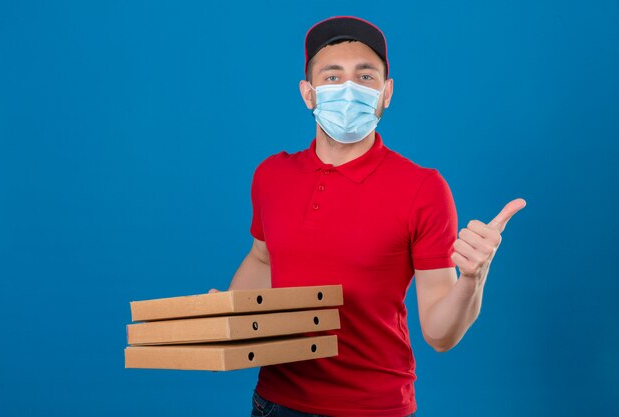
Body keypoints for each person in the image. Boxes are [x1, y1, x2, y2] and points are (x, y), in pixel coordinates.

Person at [209, 16, 526, 417]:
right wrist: (227, 316)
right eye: (332, 76)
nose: (349, 89)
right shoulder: (272, 175)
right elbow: (263, 257)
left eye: (365, 76)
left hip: (374, 407)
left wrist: (473, 279)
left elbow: (440, 334)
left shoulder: (423, 188)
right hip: (275, 402)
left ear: (386, 93)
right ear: (308, 93)